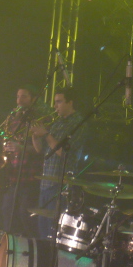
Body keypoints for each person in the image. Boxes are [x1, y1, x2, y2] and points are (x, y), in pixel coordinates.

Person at [31, 87, 88, 240]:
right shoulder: (57, 122)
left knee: (53, 232)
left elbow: (65, 153)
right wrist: (35, 136)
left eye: (59, 102)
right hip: (46, 183)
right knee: (42, 230)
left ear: (70, 103)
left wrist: (46, 134)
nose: (55, 106)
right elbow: (41, 150)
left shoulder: (78, 123)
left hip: (61, 185)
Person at [0, 85, 48, 237]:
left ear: (33, 99)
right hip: (14, 175)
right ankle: (10, 246)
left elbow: (42, 150)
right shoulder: (14, 120)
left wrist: (20, 147)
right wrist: (7, 147)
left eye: (24, 96)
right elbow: (8, 139)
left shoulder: (39, 119)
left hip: (31, 176)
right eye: (18, 96)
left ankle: (31, 246)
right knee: (7, 211)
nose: (19, 100)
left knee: (26, 215)